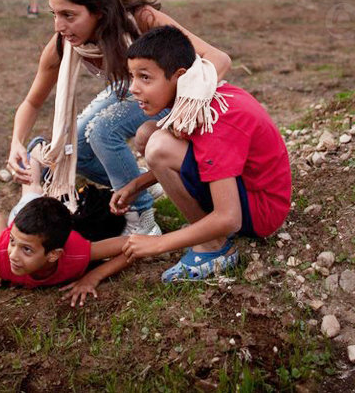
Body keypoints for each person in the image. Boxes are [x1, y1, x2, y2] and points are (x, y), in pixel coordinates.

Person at [5, 0, 232, 238]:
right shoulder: (63, 46)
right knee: (75, 144)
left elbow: (219, 59)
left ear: (98, 11)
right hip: (132, 89)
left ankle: (143, 219)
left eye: (68, 15)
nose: (59, 25)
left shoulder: (141, 20)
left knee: (102, 131)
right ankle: (145, 181)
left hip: (179, 97)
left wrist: (184, 110)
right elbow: (31, 102)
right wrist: (17, 142)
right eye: (54, 14)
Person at [111, 25, 292, 282]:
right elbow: (201, 157)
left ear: (178, 76)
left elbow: (229, 217)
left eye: (145, 78)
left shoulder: (214, 119)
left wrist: (160, 244)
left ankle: (215, 246)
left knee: (159, 146)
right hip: (246, 188)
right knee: (148, 134)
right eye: (133, 77)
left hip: (261, 210)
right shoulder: (198, 94)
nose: (133, 88)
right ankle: (207, 231)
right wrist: (138, 184)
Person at [0, 142, 129, 291]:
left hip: (55, 228)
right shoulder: (3, 249)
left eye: (26, 250)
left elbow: (130, 245)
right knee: (31, 191)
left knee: (42, 194)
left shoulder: (75, 253)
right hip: (21, 219)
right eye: (13, 243)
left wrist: (93, 277)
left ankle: (40, 158)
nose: (13, 255)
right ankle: (34, 155)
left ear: (54, 255)